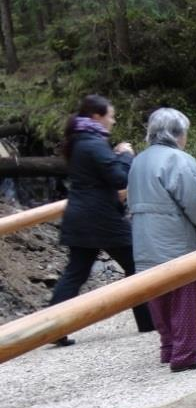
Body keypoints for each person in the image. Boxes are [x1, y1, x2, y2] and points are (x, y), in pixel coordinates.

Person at [47, 94, 153, 346]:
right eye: (111, 116)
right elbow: (118, 178)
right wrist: (126, 155)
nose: (113, 121)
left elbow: (102, 173)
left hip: (81, 215)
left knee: (76, 272)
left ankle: (52, 329)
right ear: (97, 117)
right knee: (136, 264)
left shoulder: (81, 141)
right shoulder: (93, 143)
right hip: (101, 217)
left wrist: (115, 156)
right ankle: (148, 321)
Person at [128, 108, 196, 372]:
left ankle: (169, 347)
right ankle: (187, 353)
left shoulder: (139, 161)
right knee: (186, 293)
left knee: (159, 293)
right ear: (178, 134)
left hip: (145, 238)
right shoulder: (178, 160)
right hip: (175, 239)